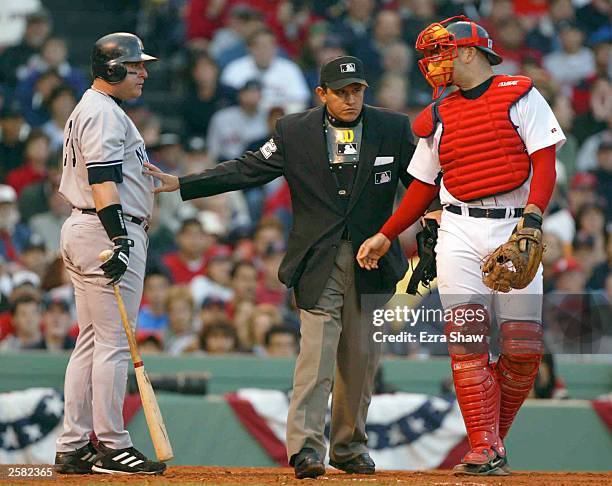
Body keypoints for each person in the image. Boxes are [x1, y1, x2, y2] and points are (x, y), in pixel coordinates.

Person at [146, 55, 417, 479]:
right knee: (316, 356)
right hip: (318, 260)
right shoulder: (295, 130)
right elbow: (248, 169)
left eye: (357, 91)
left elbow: (421, 184)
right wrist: (183, 183)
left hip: (375, 259)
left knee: (361, 360)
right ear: (321, 94)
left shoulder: (394, 128)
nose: (350, 99)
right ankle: (307, 448)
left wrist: (436, 220)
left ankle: (349, 447)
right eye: (341, 92)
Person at [357, 16, 566, 476]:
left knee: (523, 348)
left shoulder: (521, 94)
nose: (432, 63)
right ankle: (484, 448)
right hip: (457, 229)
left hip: (515, 228)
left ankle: (493, 442)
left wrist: (532, 217)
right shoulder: (438, 114)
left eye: (441, 52)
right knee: (467, 340)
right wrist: (387, 232)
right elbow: (420, 186)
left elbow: (544, 163)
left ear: (470, 52)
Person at [54, 32, 165, 475]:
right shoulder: (102, 112)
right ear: (113, 68)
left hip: (87, 227)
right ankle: (112, 445)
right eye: (136, 65)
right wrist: (119, 239)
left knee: (91, 342)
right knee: (114, 344)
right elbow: (102, 178)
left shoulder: (96, 108)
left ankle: (74, 444)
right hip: (106, 230)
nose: (143, 72)